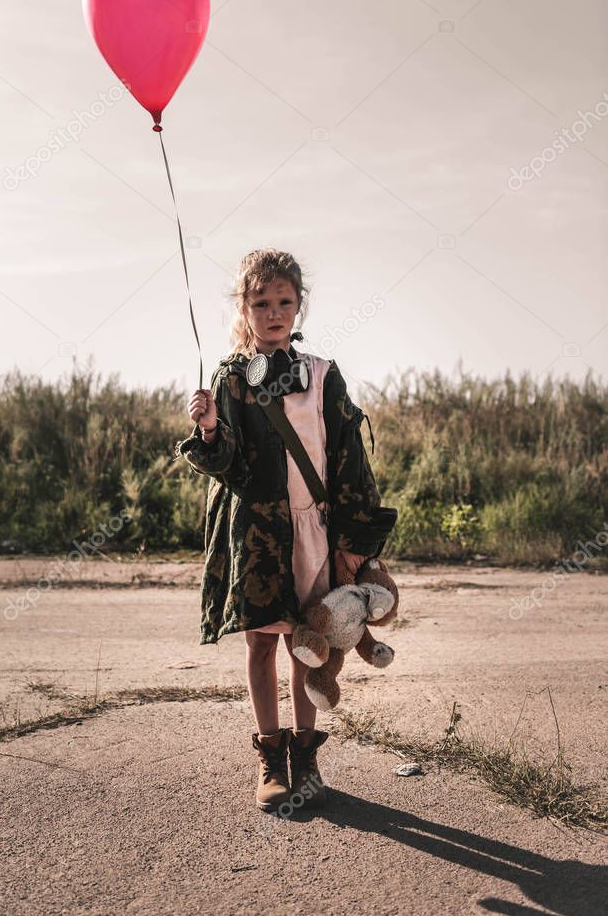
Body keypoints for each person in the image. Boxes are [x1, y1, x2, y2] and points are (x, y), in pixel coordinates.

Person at [174, 248, 396, 813]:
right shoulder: (230, 378)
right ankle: (270, 756)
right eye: (261, 302)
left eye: (284, 302)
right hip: (258, 531)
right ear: (244, 308)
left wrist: (355, 538)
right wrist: (207, 429)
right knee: (261, 641)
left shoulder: (323, 375)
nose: (273, 313)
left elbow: (349, 458)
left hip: (316, 527)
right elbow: (232, 468)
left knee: (308, 641)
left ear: (299, 307)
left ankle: (307, 754)